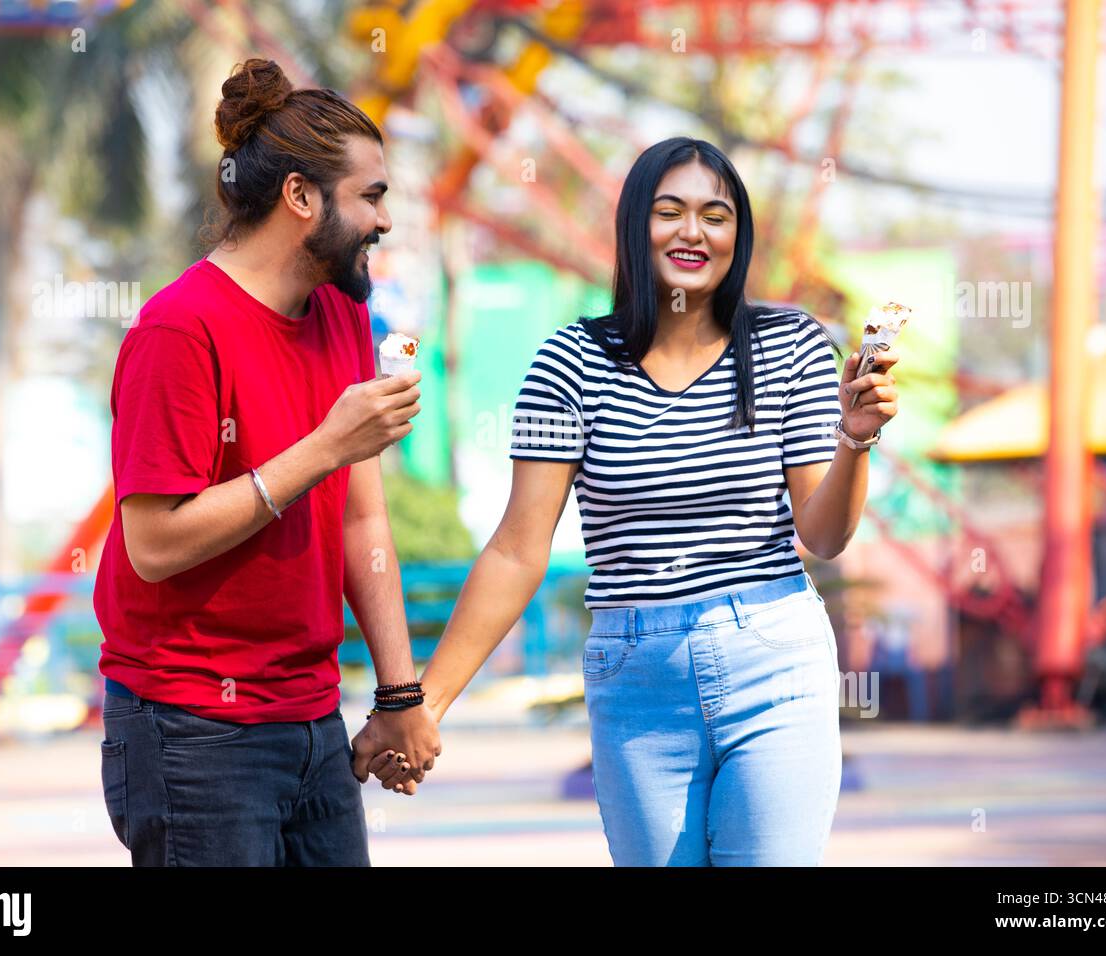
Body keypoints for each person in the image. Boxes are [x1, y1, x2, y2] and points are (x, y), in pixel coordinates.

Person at [358, 137, 901, 865]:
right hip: (636, 679)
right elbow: (519, 549)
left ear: (737, 236)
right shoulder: (569, 363)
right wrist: (424, 704)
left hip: (774, 659)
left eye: (717, 215)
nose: (693, 232)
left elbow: (825, 535)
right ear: (633, 227)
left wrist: (854, 439)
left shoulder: (790, 346)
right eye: (669, 211)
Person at [94, 58, 439, 867]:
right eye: (372, 195)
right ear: (300, 198)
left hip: (312, 719)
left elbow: (363, 518)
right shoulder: (178, 330)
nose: (386, 220)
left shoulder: (342, 317)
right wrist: (325, 446)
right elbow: (154, 545)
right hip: (192, 729)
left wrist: (398, 694)